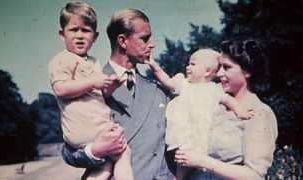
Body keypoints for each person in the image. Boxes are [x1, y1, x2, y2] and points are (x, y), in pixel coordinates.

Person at [48, 2, 133, 180]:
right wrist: (94, 81)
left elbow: (98, 95)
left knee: (107, 164)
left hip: (94, 125)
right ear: (62, 34)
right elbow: (61, 89)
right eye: (73, 30)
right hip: (84, 127)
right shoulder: (62, 59)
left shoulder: (93, 62)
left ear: (95, 37)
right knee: (123, 152)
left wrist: (109, 87)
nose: (79, 36)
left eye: (85, 31)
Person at [174, 39, 278, 179]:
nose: (218, 73)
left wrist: (203, 161)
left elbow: (254, 175)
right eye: (219, 67)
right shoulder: (213, 104)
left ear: (247, 72)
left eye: (227, 67)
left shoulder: (259, 113)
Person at [145, 48, 253, 179]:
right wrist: (154, 66)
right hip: (183, 131)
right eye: (189, 63)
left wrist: (239, 109)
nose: (187, 67)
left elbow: (228, 100)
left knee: (194, 157)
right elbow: (167, 81)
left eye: (193, 64)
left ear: (208, 71)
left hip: (201, 132)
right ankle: (179, 177)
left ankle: (181, 177)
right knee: (182, 157)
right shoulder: (184, 84)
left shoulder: (213, 89)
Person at [100, 9, 175, 179]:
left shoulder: (158, 89)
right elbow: (71, 152)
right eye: (145, 38)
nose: (152, 44)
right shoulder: (91, 86)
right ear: (123, 41)